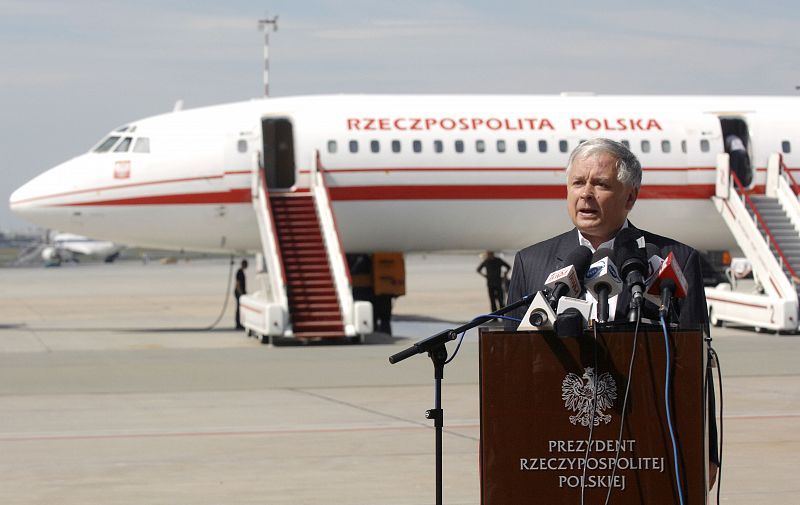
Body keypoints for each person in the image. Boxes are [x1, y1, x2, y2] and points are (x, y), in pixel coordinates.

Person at [505, 137, 718, 484]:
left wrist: (707, 451)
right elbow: (512, 366)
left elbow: (695, 366)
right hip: (554, 445)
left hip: (645, 441)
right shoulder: (531, 262)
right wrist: (502, 444)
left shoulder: (673, 260)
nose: (585, 194)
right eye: (577, 183)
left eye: (600, 184)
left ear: (630, 197)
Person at [234, 259, 248, 330]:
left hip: (240, 292)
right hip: (239, 292)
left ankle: (239, 323)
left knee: (240, 308)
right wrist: (241, 293)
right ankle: (238, 324)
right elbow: (238, 283)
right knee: (239, 308)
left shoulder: (241, 271)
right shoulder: (239, 272)